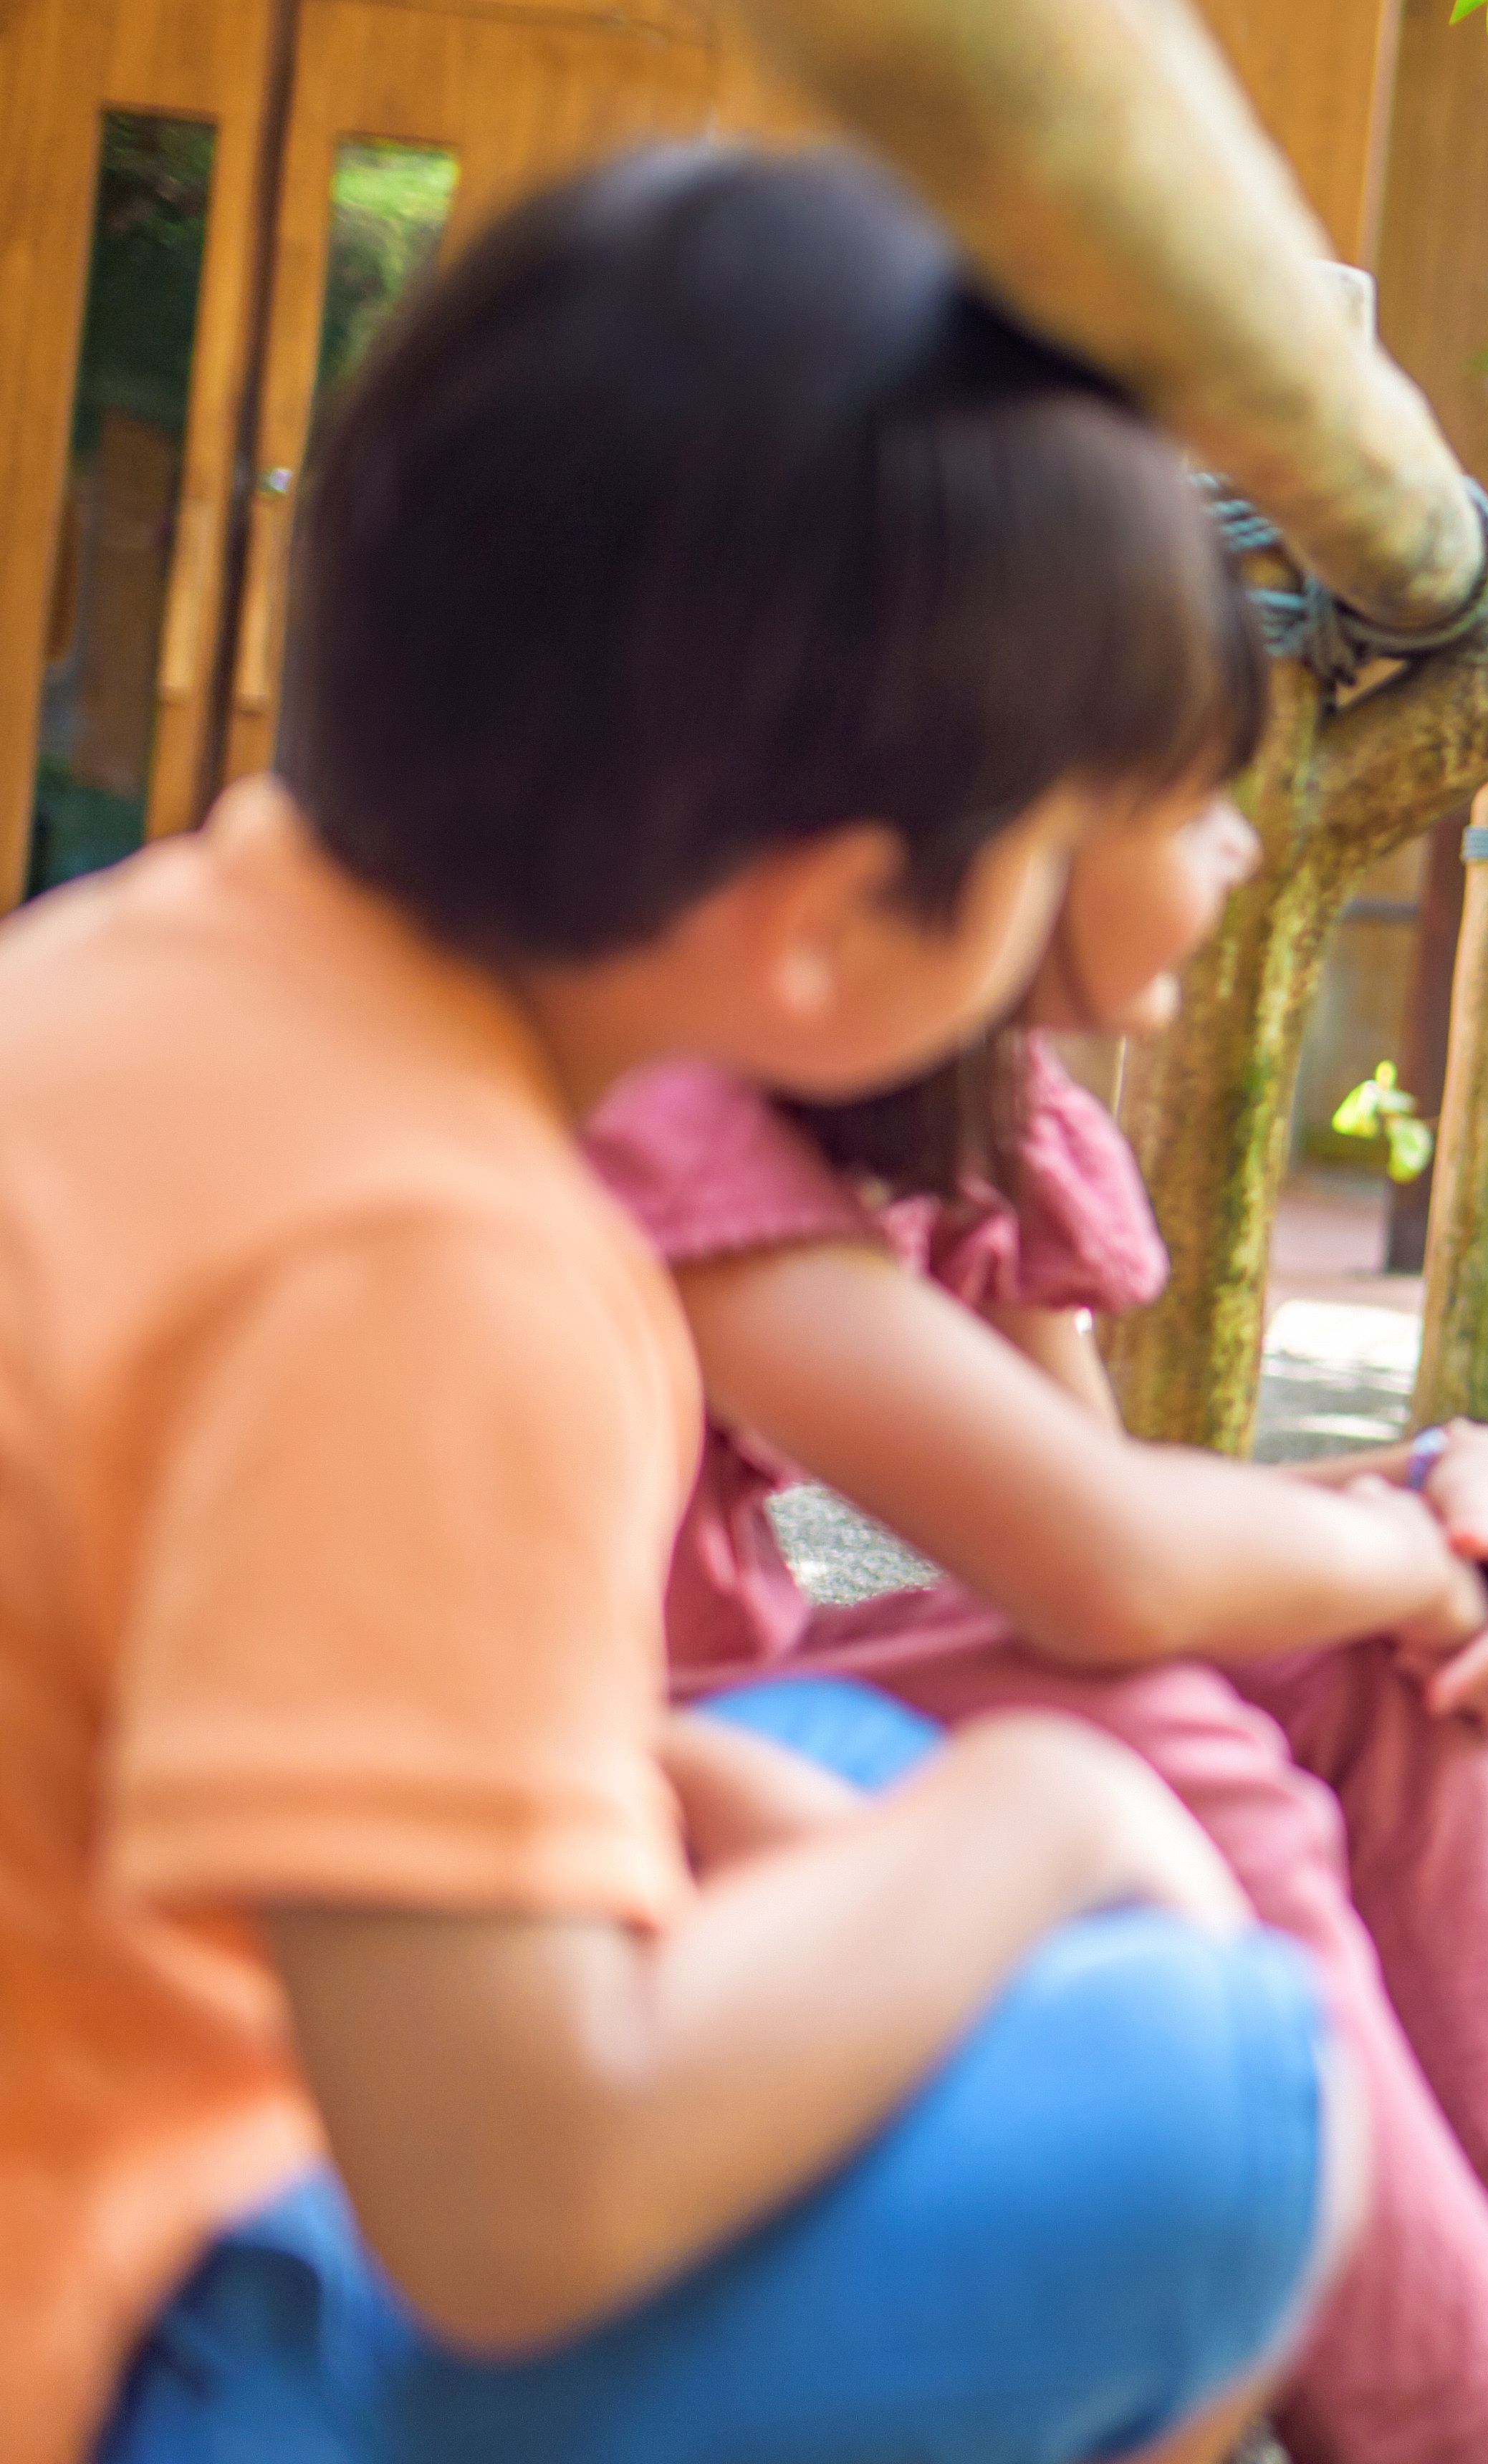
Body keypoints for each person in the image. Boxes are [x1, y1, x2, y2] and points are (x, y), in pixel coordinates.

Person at [2, 148, 1376, 2464]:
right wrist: (1041, 1806)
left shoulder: (152, 959)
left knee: (827, 1768)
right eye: (1051, 842)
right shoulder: (444, 1270)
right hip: (108, 2306)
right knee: (1213, 2096)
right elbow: (513, 2205)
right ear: (836, 924)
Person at [580, 697, 1488, 2464]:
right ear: (1004, 823)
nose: (1242, 845)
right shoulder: (684, 1096)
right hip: (579, 1768)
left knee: (1366, 1654)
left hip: (743, 1703)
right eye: (1193, 801)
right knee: (1153, 1707)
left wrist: (1445, 1493)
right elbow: (1101, 1573)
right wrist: (1400, 1539)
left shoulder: (950, 1094)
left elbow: (1120, 1508)